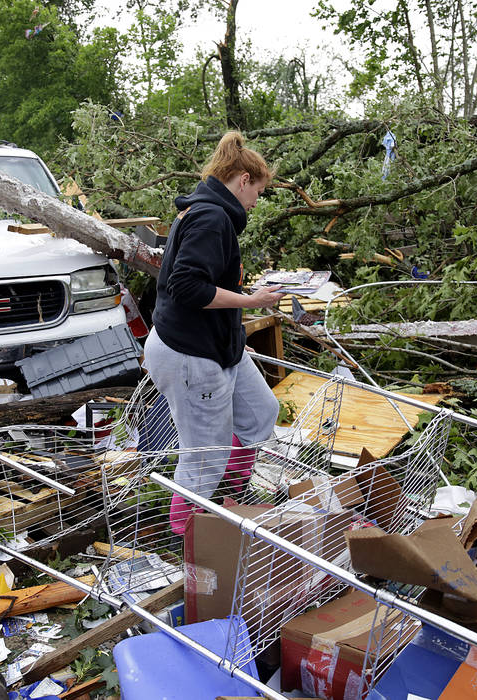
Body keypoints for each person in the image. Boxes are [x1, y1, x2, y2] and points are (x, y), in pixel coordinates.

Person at [143, 131, 284, 534]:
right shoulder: (210, 217)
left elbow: (203, 275)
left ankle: (231, 499)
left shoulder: (207, 213)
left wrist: (248, 292)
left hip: (220, 344)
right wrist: (252, 302)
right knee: (205, 456)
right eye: (257, 190)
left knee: (261, 414)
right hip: (190, 353)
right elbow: (188, 288)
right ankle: (186, 540)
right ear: (242, 180)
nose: (257, 201)